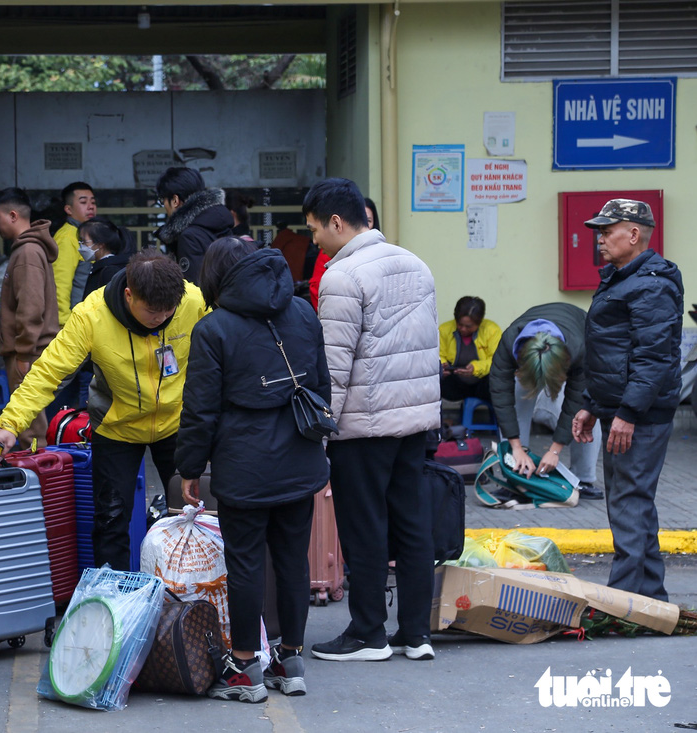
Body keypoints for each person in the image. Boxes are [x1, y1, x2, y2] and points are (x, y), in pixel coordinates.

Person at [0, 249, 208, 570]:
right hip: (117, 428)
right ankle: (113, 599)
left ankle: (187, 592)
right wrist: (10, 423)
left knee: (192, 512)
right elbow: (49, 371)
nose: (161, 318)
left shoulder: (193, 302)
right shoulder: (91, 315)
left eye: (168, 311)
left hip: (177, 424)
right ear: (129, 295)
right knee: (110, 519)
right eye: (152, 311)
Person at [176, 238, 331, 702]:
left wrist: (189, 466)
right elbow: (321, 384)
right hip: (301, 460)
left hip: (245, 466)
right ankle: (291, 659)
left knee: (245, 565)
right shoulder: (303, 312)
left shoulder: (213, 329)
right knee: (291, 559)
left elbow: (200, 410)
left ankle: (245, 667)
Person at [304, 178, 440, 663]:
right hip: (414, 423)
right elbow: (426, 349)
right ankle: (417, 633)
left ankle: (368, 634)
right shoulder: (415, 263)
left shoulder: (342, 277)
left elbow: (334, 367)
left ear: (338, 222)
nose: (314, 240)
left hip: (363, 426)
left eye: (316, 229)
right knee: (412, 526)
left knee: (364, 529)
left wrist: (323, 429)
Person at [573, 199, 684, 601]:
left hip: (639, 415)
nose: (599, 240)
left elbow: (653, 358)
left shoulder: (650, 284)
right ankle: (651, 597)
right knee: (632, 502)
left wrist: (628, 413)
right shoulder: (623, 278)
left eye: (607, 232)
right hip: (621, 409)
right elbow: (611, 352)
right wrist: (591, 403)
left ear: (633, 234)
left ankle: (622, 602)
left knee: (628, 503)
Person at [489, 303, 603, 500]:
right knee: (516, 399)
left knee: (587, 413)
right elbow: (502, 399)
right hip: (532, 353)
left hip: (578, 334)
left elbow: (574, 404)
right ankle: (515, 474)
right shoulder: (509, 342)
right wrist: (516, 447)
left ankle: (583, 479)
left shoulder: (579, 349)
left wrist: (554, 451)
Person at [0, 187, 60, 448]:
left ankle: (40, 483)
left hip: (29, 354)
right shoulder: (28, 249)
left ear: (12, 215)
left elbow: (30, 308)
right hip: (31, 351)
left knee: (31, 431)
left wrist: (22, 355)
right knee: (33, 426)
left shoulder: (27, 253)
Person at [154, 167, 233, 285]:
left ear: (175, 200)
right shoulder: (217, 223)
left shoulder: (189, 237)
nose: (164, 206)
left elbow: (193, 289)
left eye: (163, 200)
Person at [309, 197, 379, 308]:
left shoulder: (382, 253)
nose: (364, 225)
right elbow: (316, 288)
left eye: (368, 221)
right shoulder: (329, 252)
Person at [439, 296, 502, 402]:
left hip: (483, 384)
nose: (463, 329)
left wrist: (476, 368)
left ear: (480, 322)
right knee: (432, 383)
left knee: (499, 383)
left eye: (469, 326)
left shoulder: (492, 330)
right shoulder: (444, 330)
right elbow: (438, 354)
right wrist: (442, 366)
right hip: (455, 384)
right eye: (459, 324)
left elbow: (497, 360)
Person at [52, 182, 97, 326]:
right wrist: (64, 324)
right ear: (68, 209)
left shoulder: (85, 234)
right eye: (83, 202)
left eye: (93, 202)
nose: (90, 206)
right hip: (72, 324)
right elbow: (60, 285)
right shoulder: (67, 237)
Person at [80, 217, 133, 297]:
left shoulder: (109, 271)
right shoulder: (103, 267)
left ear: (100, 244)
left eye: (84, 242)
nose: (81, 246)